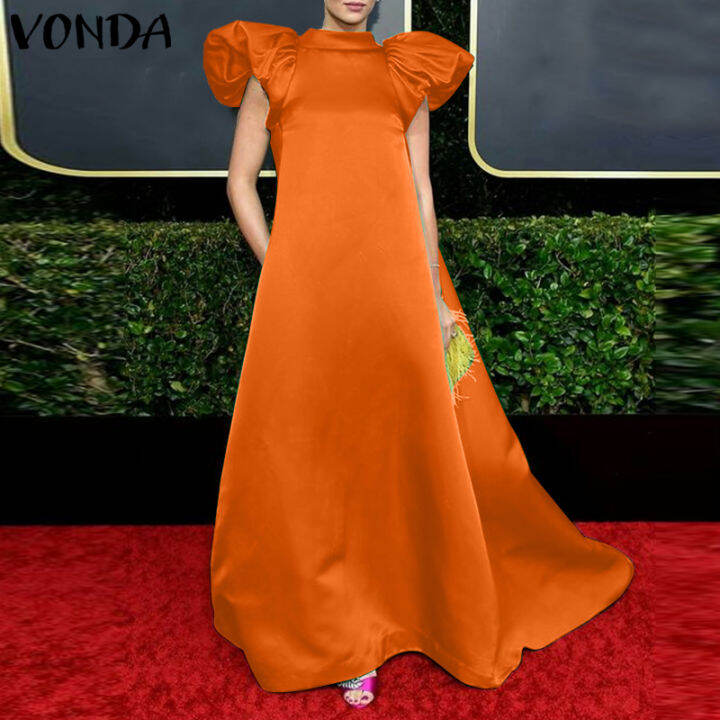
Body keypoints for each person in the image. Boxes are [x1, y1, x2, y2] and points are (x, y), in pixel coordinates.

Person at [202, 0, 635, 709]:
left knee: (396, 449)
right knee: (314, 453)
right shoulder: (275, 63)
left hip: (396, 287)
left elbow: (420, 188)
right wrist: (279, 266)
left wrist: (432, 295)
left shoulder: (406, 69)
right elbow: (239, 182)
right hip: (303, 294)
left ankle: (407, 611)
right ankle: (338, 629)